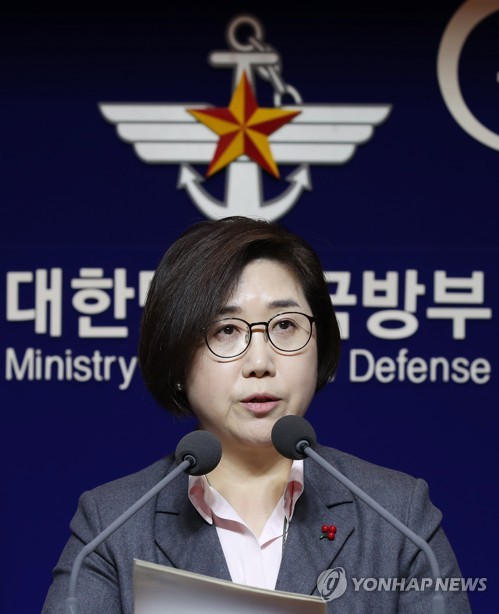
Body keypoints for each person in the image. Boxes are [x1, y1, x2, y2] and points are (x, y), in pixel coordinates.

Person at [43, 216, 471, 612]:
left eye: (285, 325)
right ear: (176, 359)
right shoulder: (112, 526)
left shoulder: (397, 516)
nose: (260, 362)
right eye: (226, 330)